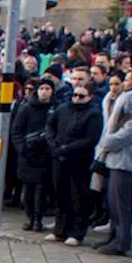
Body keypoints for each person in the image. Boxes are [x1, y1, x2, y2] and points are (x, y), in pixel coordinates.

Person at [93, 84, 132, 255]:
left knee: (121, 207)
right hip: (118, 165)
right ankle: (113, 237)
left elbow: (110, 142)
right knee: (114, 205)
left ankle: (121, 242)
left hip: (125, 167)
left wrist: (110, 130)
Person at [45, 80, 103, 246]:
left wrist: (67, 147)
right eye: (75, 95)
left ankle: (76, 232)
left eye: (81, 96)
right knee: (60, 194)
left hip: (79, 161)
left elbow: (91, 139)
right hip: (59, 158)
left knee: (78, 197)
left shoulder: (93, 114)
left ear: (90, 97)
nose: (76, 98)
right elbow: (50, 125)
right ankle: (59, 230)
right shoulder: (63, 108)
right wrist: (53, 143)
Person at [11, 79, 55, 231]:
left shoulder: (55, 109)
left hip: (46, 155)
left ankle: (38, 219)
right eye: (42, 88)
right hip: (28, 155)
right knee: (28, 190)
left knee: (41, 190)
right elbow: (16, 131)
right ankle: (30, 217)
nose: (44, 92)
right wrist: (22, 149)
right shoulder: (26, 109)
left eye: (47, 88)